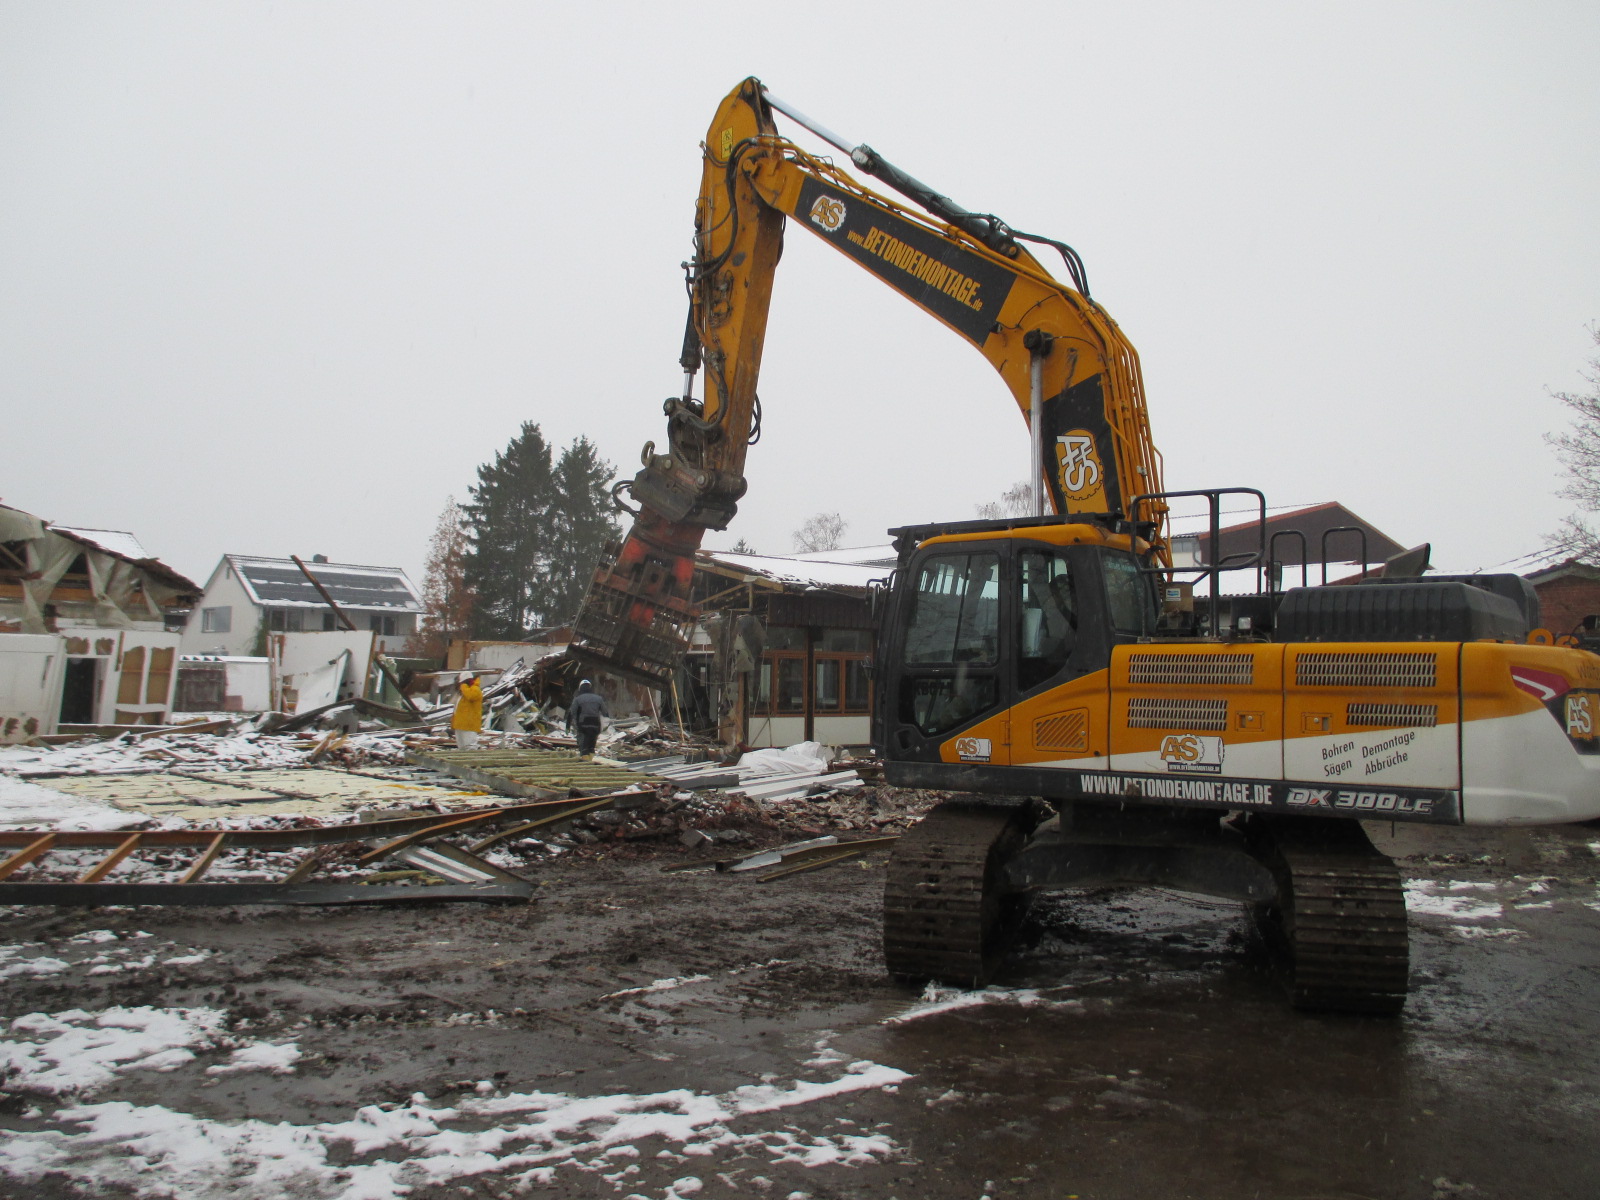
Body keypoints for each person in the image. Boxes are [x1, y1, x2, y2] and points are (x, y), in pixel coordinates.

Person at [567, 679, 609, 756]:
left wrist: (569, 726)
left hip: (583, 726)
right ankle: (592, 758)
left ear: (580, 688)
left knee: (583, 748)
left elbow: (572, 713)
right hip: (595, 725)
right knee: (591, 747)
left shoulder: (577, 699)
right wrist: (606, 726)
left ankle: (584, 759)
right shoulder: (599, 698)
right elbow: (605, 712)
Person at [452, 674, 483, 750]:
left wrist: (463, 686)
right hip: (460, 724)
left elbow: (471, 696)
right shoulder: (463, 693)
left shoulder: (475, 689)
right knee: (462, 748)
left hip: (469, 725)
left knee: (470, 747)